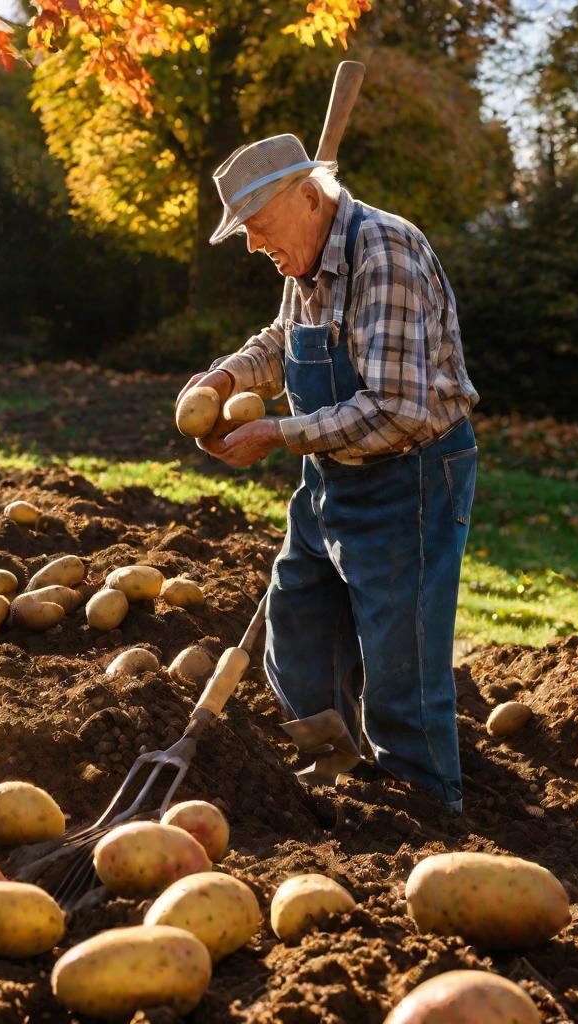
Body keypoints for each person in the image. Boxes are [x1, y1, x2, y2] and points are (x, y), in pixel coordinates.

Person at [177, 134, 479, 815]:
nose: (255, 246)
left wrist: (278, 432)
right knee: (298, 625)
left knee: (403, 660)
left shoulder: (387, 253)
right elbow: (285, 342)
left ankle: (424, 805)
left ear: (309, 198)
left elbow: (398, 410)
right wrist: (227, 375)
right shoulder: (307, 260)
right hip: (330, 474)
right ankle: (336, 765)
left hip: (412, 476)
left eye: (257, 228)